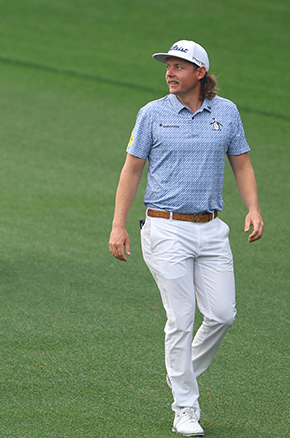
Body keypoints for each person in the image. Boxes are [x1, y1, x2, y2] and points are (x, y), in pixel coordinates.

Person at [109, 40, 264, 436]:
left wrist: (254, 208)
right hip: (164, 227)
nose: (170, 72)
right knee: (181, 320)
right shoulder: (152, 114)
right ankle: (185, 408)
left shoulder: (226, 112)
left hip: (212, 228)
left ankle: (180, 374)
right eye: (168, 66)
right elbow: (131, 170)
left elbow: (242, 163)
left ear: (200, 73)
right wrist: (117, 225)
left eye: (179, 66)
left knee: (222, 314)